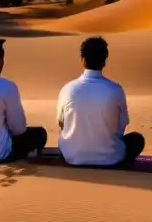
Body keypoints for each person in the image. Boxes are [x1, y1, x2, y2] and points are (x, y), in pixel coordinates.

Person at [57, 36, 145, 167]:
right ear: (104, 62)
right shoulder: (115, 90)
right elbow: (122, 124)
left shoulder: (67, 89)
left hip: (72, 156)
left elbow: (61, 123)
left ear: (83, 60)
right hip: (110, 158)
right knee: (137, 139)